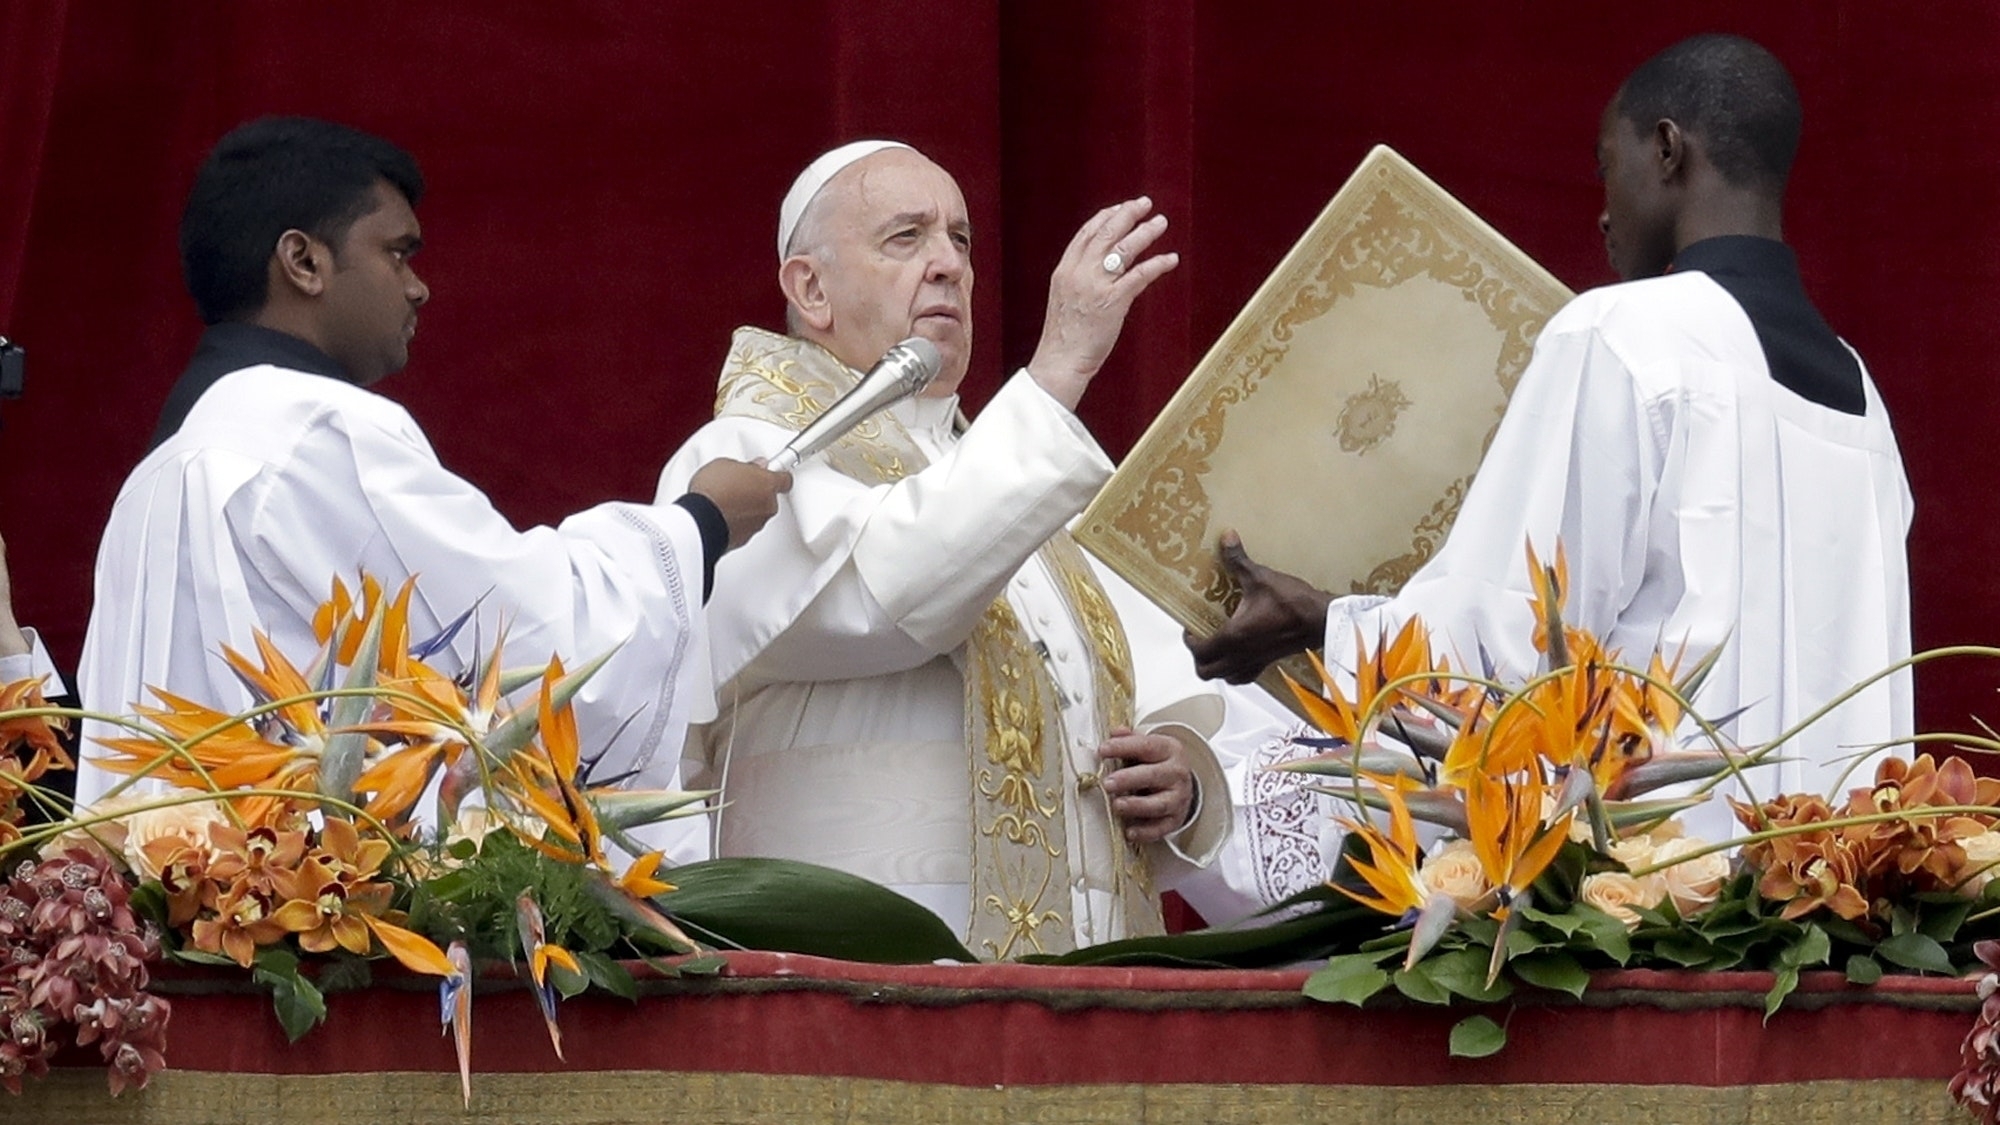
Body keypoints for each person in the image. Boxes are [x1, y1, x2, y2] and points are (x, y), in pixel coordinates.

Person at [1185, 34, 1912, 853]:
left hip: (1660, 915)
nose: (1603, 209)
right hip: (1825, 916)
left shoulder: (1623, 332)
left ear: (1668, 149)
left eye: (1609, 167)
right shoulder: (1862, 399)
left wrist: (1320, 622)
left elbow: (1502, 652)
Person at [74, 118, 791, 821]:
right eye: (397, 253)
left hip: (188, 911)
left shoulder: (159, 473)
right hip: (318, 910)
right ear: (305, 262)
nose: (418, 288)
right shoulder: (311, 428)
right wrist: (700, 524)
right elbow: (526, 642)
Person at [654, 141, 1235, 956]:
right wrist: (1060, 367)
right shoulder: (749, 458)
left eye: (960, 241)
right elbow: (892, 596)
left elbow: (1161, 697)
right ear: (810, 287)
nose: (948, 266)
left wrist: (1181, 782)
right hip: (853, 990)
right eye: (906, 237)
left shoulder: (1009, 479)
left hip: (1073, 989)